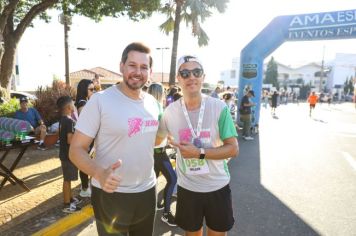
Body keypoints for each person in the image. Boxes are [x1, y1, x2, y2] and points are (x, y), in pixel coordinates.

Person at [69, 42, 160, 235]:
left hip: (147, 191)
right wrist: (99, 173)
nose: (138, 72)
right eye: (132, 65)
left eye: (144, 67)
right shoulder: (100, 101)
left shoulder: (152, 102)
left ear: (150, 72)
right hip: (111, 194)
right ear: (121, 66)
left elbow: (149, 141)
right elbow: (76, 149)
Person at [156, 55, 239, 236]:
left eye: (196, 72)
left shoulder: (219, 107)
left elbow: (233, 148)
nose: (191, 76)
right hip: (188, 188)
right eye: (185, 73)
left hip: (217, 186)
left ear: (203, 76)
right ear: (178, 78)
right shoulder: (169, 112)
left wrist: (199, 152)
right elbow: (156, 140)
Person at [148, 82, 177, 227]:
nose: (165, 95)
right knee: (172, 179)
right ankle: (166, 214)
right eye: (164, 93)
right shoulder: (159, 109)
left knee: (153, 180)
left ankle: (155, 206)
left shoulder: (146, 108)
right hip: (158, 152)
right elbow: (162, 131)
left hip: (151, 152)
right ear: (160, 94)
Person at [57, 96, 82, 213]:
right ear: (68, 107)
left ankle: (70, 199)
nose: (74, 105)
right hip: (68, 155)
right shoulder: (70, 121)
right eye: (73, 103)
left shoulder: (62, 120)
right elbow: (70, 140)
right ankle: (67, 204)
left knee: (67, 179)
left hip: (64, 154)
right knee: (67, 179)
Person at [75, 79, 96, 198]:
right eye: (91, 89)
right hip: (86, 137)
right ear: (84, 90)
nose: (93, 92)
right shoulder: (82, 102)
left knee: (88, 161)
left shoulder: (85, 101)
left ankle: (86, 187)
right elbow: (84, 119)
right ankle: (84, 188)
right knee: (85, 162)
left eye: (95, 89)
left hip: (88, 136)